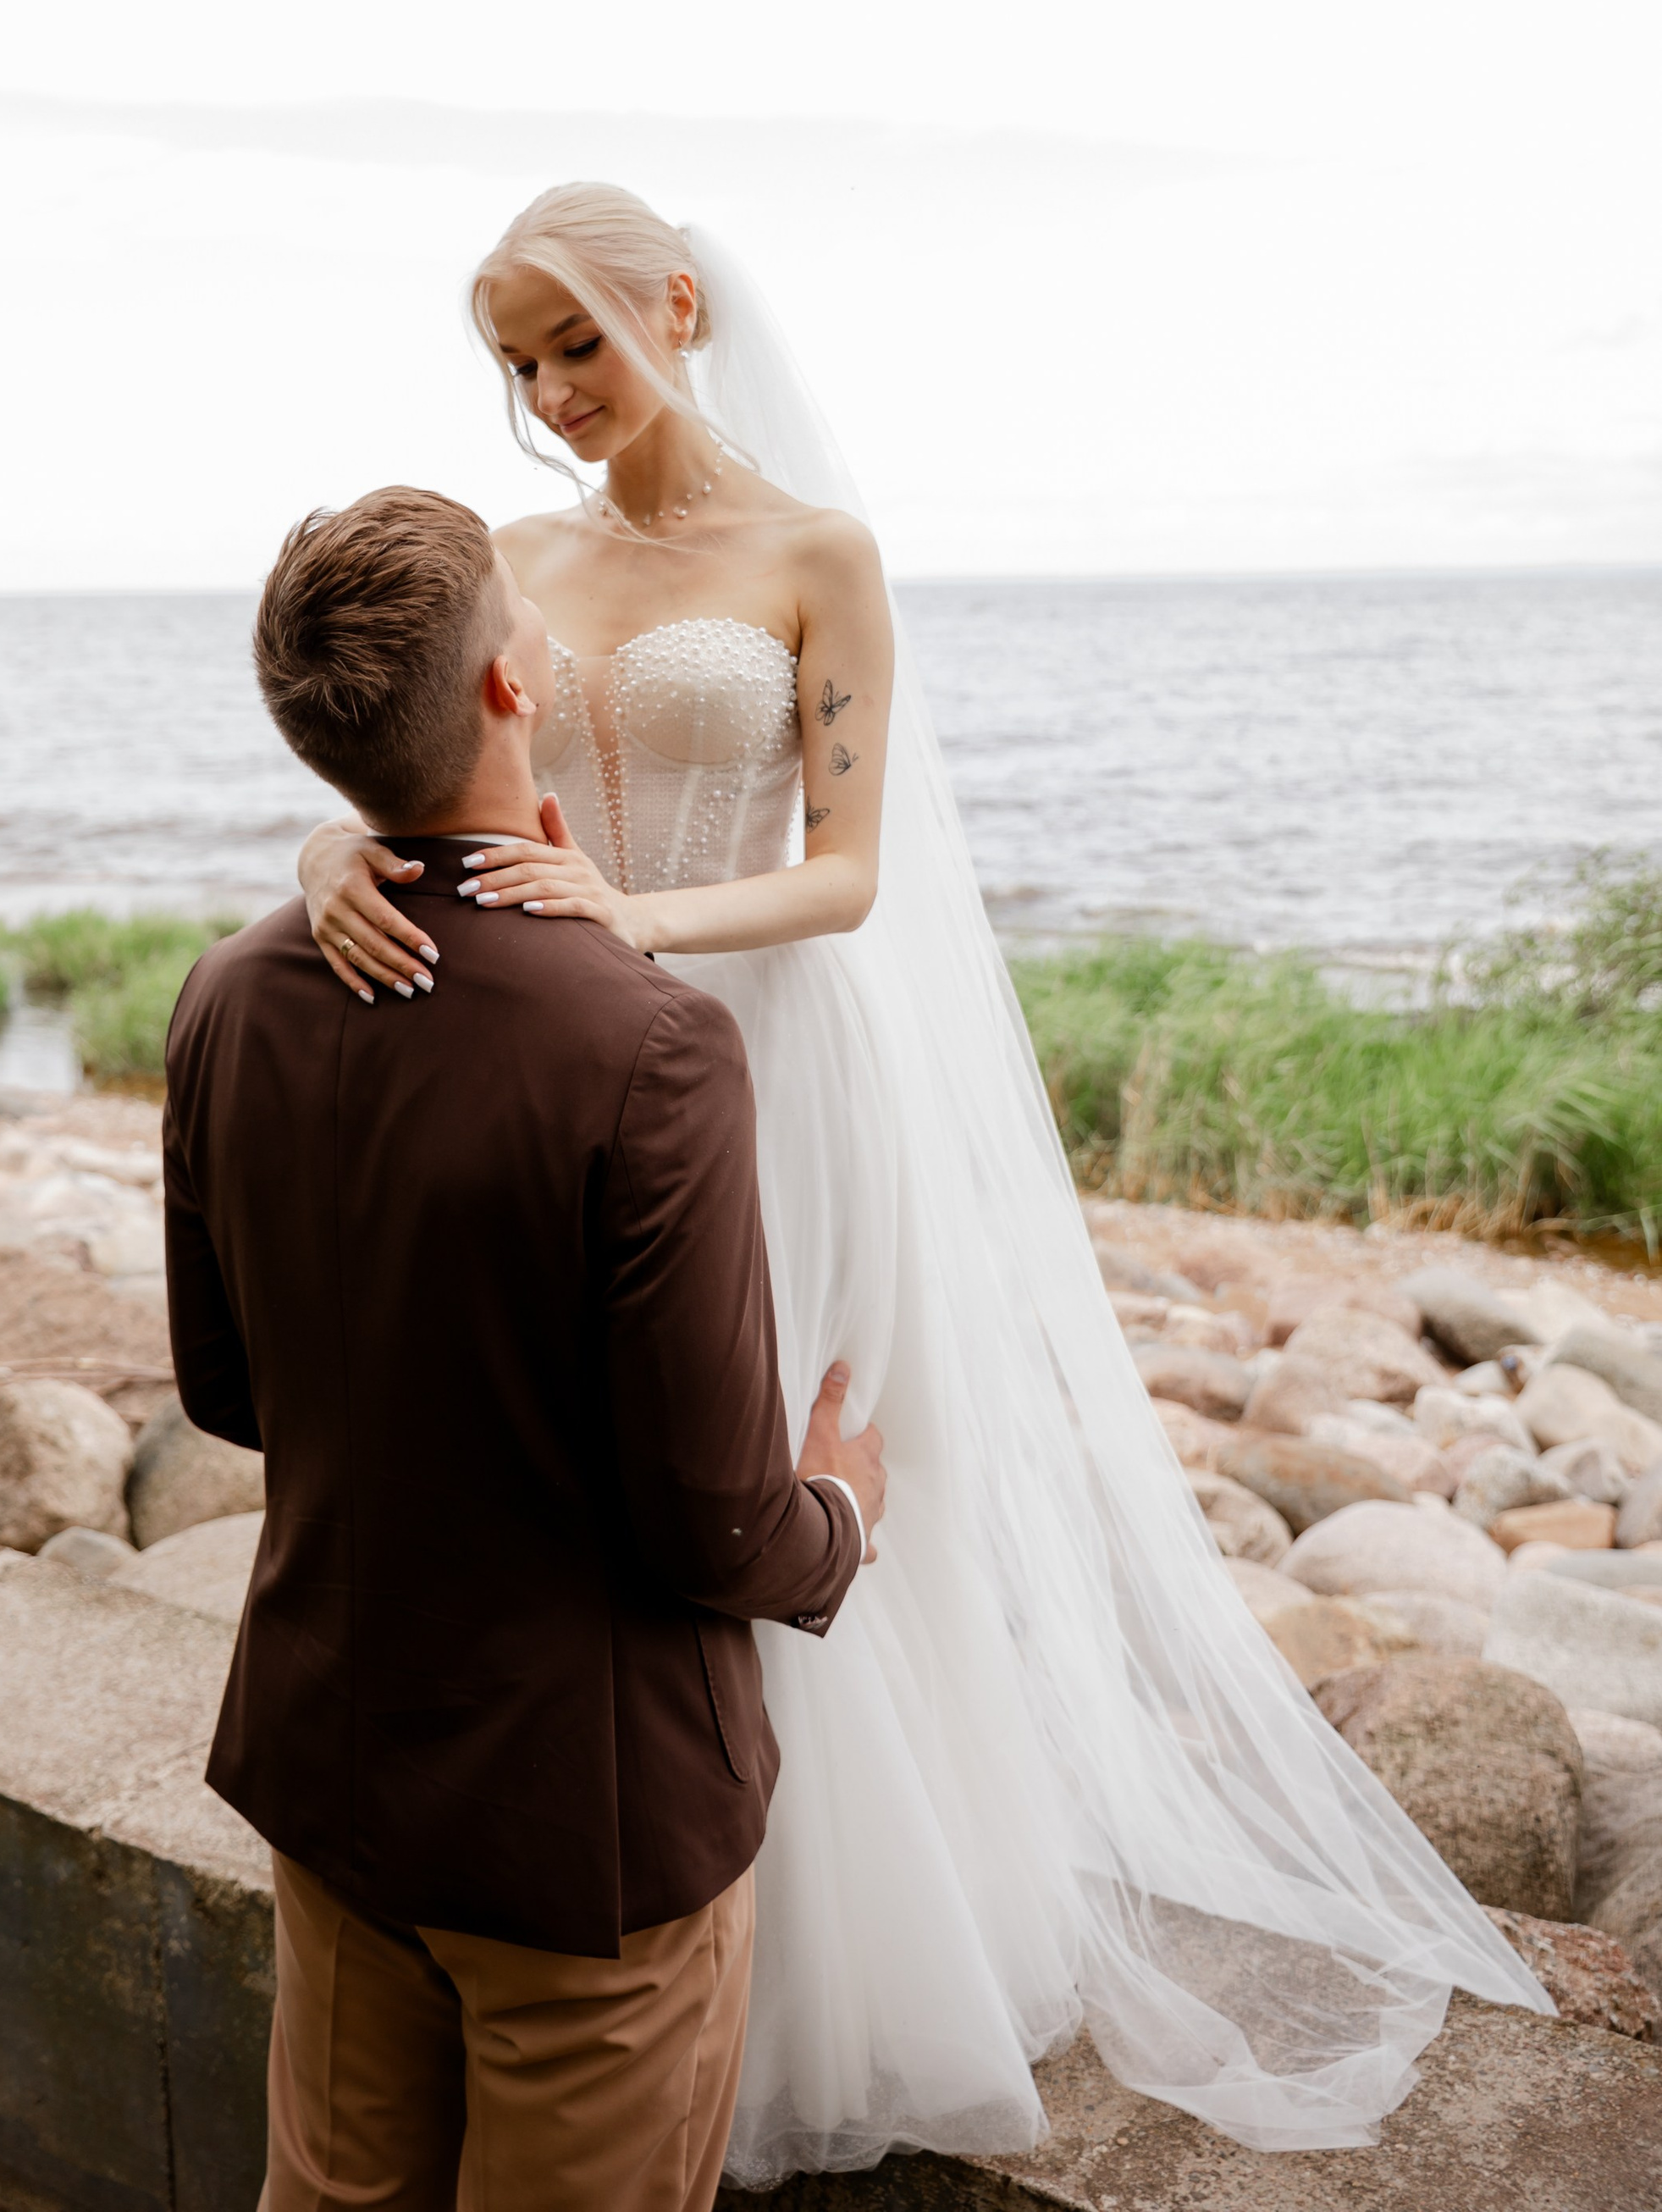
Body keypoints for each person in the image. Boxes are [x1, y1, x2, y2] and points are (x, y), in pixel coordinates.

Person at [295, 185, 1549, 2179]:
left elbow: (849, 872)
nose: (545, 399)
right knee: (615, 1458)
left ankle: (828, 1975)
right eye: (513, 366)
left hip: (771, 1056)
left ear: (676, 311)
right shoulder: (513, 560)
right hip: (560, 1067)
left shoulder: (815, 556)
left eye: (574, 350)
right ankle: (642, 1909)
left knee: (782, 1450)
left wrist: (631, 918)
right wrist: (323, 861)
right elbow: (413, 770)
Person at [163, 484, 884, 2212]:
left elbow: (224, 1393)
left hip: (330, 1780)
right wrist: (839, 1516)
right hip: (583, 1841)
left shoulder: (228, 994)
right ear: (509, 689)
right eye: (525, 618)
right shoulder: (648, 1046)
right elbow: (711, 1522)